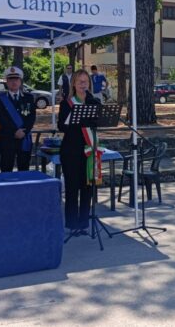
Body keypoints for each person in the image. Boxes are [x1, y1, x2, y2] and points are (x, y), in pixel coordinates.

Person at [58, 69, 102, 235]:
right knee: (72, 188)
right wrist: (73, 117)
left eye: (86, 81)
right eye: (80, 81)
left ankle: (83, 223)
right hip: (71, 152)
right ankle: (72, 223)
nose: (84, 84)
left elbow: (100, 122)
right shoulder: (67, 104)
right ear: (74, 84)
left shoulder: (94, 102)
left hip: (89, 151)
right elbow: (62, 126)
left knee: (87, 187)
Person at [0, 66, 36, 172]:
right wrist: (14, 132)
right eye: (11, 79)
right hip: (7, 139)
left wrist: (24, 131)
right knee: (6, 169)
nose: (14, 82)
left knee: (24, 169)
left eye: (16, 79)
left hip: (24, 138)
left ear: (20, 81)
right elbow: (1, 119)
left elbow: (31, 117)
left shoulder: (28, 98)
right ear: (7, 82)